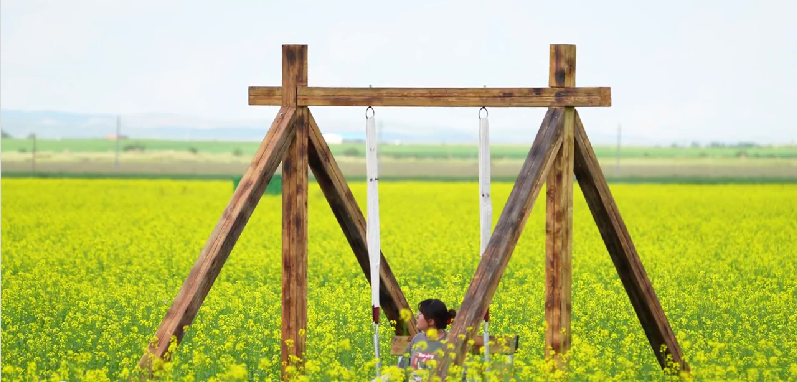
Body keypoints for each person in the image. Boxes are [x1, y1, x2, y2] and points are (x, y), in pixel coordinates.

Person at [396, 299, 457, 381]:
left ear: (431, 321)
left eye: (420, 314)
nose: (417, 316)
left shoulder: (450, 342)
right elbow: (402, 367)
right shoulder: (417, 339)